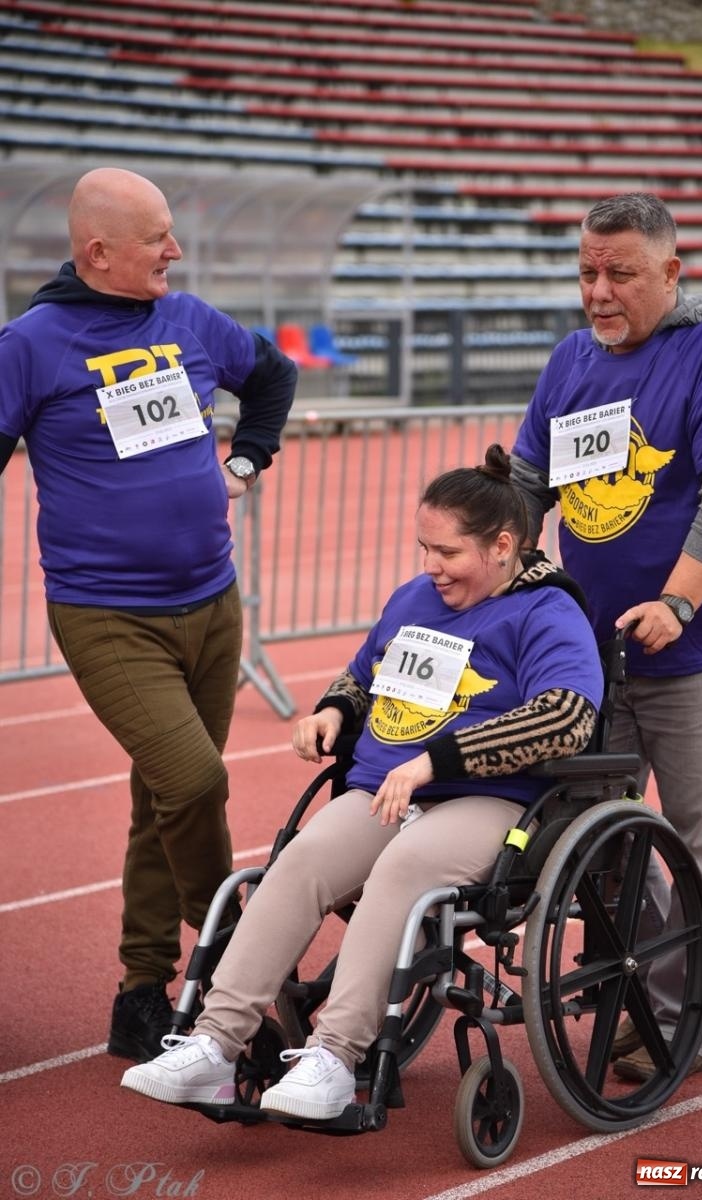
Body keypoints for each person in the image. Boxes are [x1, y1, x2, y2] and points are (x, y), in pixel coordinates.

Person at [120, 444, 604, 1119]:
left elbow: (566, 718)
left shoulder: (547, 613)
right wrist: (332, 708)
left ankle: (333, 1056)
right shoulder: (415, 597)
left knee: (404, 865)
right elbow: (367, 672)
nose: (430, 567)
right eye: (423, 548)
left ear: (501, 545)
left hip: (493, 801)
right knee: (303, 859)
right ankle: (212, 1044)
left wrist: (438, 759)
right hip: (387, 790)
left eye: (447, 553)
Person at [0, 167, 297, 1063]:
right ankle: (240, 965)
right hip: (106, 615)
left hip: (213, 601)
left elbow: (273, 377)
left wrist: (244, 464)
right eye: (157, 237)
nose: (176, 250)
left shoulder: (192, 318)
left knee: (162, 795)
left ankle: (141, 992)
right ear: (98, 252)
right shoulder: (30, 344)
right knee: (196, 781)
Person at [510, 191, 702, 1082]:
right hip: (592, 651)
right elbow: (527, 482)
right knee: (610, 839)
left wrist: (678, 603)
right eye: (586, 271)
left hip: (698, 645)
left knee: (701, 842)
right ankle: (642, 994)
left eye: (619, 272)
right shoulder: (568, 362)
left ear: (670, 271)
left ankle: (681, 1025)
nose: (597, 291)